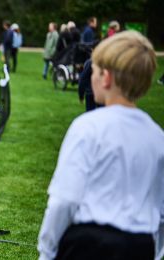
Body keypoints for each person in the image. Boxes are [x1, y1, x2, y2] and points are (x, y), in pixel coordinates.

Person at [37, 31, 164, 260]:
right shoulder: (157, 136)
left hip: (89, 245)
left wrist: (46, 251)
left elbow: (64, 200)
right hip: (140, 245)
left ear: (105, 77)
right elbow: (160, 210)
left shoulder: (87, 127)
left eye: (93, 71)